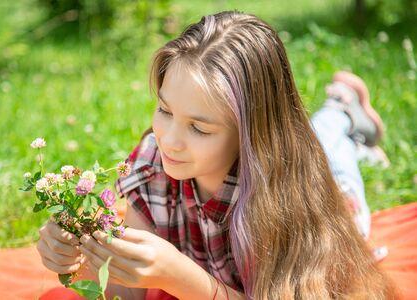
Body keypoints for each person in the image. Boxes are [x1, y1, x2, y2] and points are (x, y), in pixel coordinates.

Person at [37, 11, 396, 299]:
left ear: (252, 134)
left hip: (330, 193)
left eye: (199, 128)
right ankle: (338, 110)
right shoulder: (153, 165)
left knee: (333, 156)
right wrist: (78, 261)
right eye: (165, 110)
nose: (169, 142)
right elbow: (122, 292)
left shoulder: (286, 198)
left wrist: (182, 277)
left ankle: (342, 108)